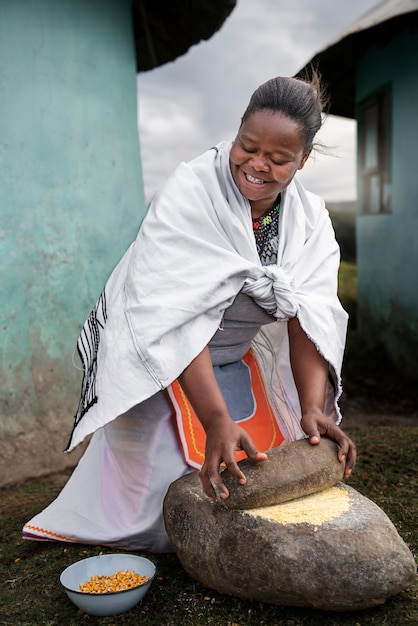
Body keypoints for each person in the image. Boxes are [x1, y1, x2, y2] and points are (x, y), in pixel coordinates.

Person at [23, 72, 356, 552]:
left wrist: (310, 407)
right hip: (157, 349)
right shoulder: (191, 190)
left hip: (234, 354)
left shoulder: (310, 221)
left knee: (260, 476)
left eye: (279, 159)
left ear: (303, 160)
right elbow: (172, 313)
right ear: (236, 131)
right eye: (248, 146)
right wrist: (215, 417)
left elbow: (311, 316)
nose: (257, 165)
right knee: (151, 499)